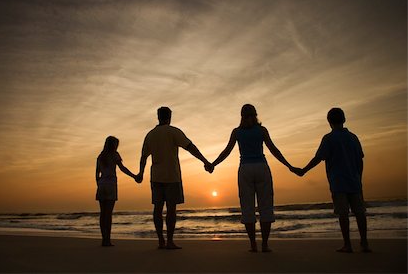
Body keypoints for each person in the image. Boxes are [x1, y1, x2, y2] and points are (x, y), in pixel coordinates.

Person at [210, 104, 297, 253]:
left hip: (245, 169)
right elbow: (274, 150)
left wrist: (213, 164)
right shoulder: (262, 130)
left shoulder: (237, 132)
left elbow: (227, 151)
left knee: (247, 207)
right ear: (256, 114)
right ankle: (264, 245)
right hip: (262, 168)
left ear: (241, 116)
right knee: (266, 206)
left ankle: (253, 245)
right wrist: (289, 166)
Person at [294, 108, 371, 253]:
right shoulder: (353, 137)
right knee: (360, 212)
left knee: (343, 213)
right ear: (344, 120)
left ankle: (347, 244)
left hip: (338, 182)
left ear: (329, 122)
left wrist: (303, 170)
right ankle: (364, 243)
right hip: (354, 181)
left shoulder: (329, 139)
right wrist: (359, 178)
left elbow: (318, 158)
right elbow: (360, 160)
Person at [136, 106, 212, 249]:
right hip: (172, 176)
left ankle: (161, 241)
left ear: (158, 117)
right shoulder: (173, 131)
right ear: (169, 117)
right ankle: (169, 241)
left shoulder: (150, 135)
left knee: (157, 209)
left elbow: (143, 157)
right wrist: (205, 161)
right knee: (171, 210)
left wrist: (140, 173)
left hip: (156, 176)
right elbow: (190, 147)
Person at [95, 136, 137, 247]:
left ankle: (104, 239)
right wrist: (134, 176)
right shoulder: (114, 155)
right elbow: (122, 168)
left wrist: (99, 184)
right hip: (110, 185)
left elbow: (96, 174)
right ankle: (107, 240)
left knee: (102, 214)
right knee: (108, 214)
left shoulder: (100, 156)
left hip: (101, 185)